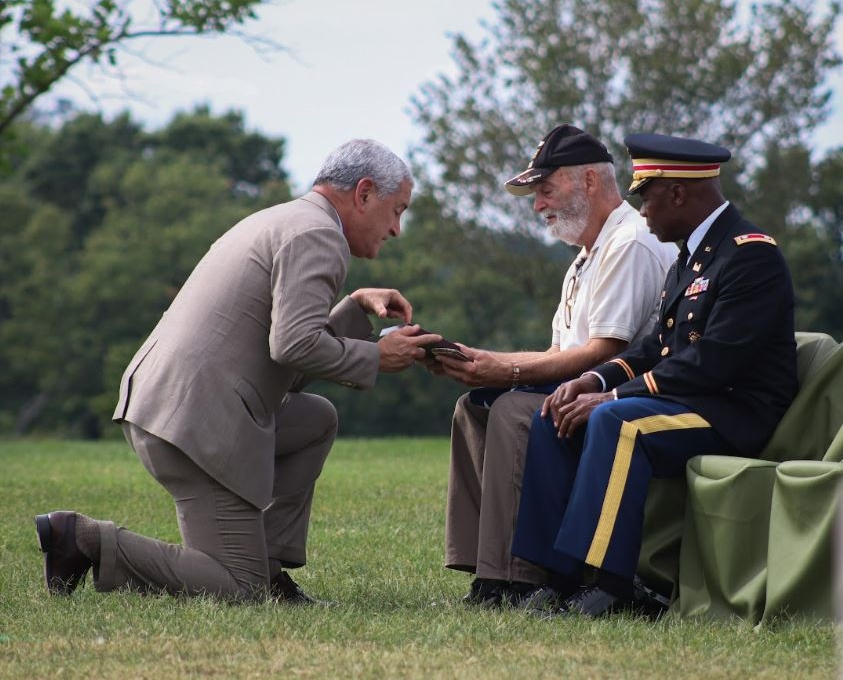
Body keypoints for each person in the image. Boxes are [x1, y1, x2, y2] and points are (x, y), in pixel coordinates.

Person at [35, 139, 441, 602]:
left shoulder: (286, 219)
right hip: (196, 426)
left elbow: (285, 361)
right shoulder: (319, 235)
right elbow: (293, 345)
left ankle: (268, 568)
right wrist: (376, 357)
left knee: (315, 419)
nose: (397, 229)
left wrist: (353, 310)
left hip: (173, 408)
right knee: (238, 589)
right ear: (364, 193)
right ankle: (83, 538)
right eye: (397, 210)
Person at [510, 133, 798, 618]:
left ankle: (613, 588)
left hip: (732, 414)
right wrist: (594, 382)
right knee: (556, 411)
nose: (641, 210)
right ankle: (554, 578)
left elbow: (715, 362)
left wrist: (615, 397)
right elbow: (656, 348)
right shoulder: (691, 255)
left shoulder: (749, 253)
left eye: (647, 196)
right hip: (687, 402)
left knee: (616, 423)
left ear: (679, 193)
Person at [436, 124, 677, 606]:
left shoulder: (627, 243)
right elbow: (557, 353)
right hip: (586, 386)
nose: (537, 204)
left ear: (589, 181)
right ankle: (487, 566)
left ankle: (517, 576)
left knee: (512, 409)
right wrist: (481, 362)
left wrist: (508, 373)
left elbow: (605, 353)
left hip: (621, 393)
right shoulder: (587, 256)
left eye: (546, 189)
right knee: (474, 404)